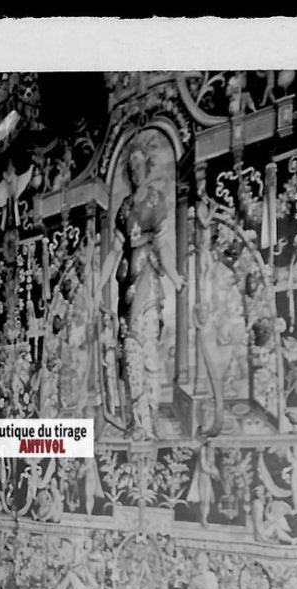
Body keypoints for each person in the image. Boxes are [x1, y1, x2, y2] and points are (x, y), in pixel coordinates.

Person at [103, 138, 181, 439]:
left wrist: (175, 277)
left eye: (140, 165)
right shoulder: (124, 209)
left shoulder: (155, 201)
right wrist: (99, 286)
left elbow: (163, 245)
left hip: (148, 288)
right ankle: (138, 423)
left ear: (147, 168)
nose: (136, 171)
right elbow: (113, 252)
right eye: (131, 166)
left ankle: (149, 420)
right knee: (130, 354)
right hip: (126, 289)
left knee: (147, 352)